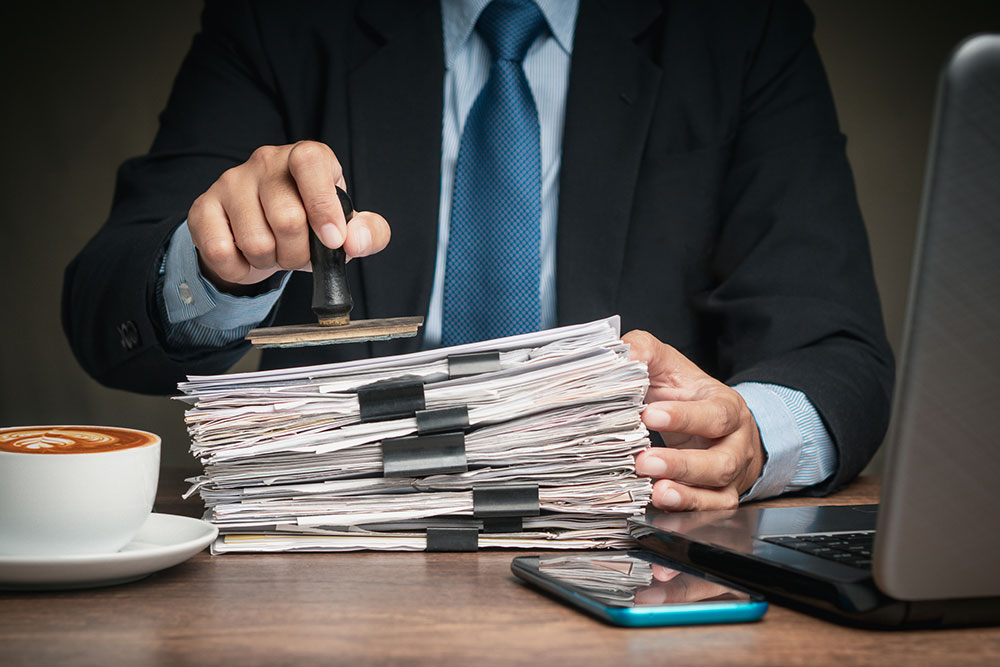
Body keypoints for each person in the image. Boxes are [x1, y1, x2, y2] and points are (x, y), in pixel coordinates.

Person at [62, 0, 894, 512]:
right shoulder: (281, 17)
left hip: (641, 552)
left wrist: (748, 438)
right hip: (336, 557)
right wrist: (214, 265)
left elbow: (836, 353)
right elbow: (107, 312)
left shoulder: (739, 26)